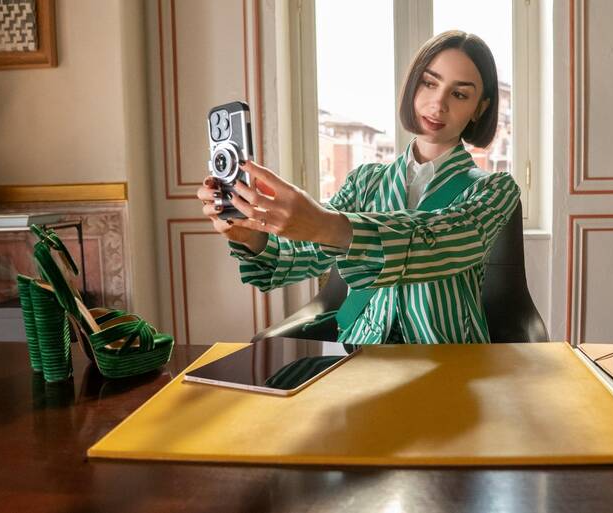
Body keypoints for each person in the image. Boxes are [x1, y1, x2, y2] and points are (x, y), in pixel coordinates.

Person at [197, 30, 520, 344]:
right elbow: (307, 255)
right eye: (429, 83)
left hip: (450, 354)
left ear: (479, 108)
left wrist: (327, 225)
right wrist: (250, 235)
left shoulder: (494, 189)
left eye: (459, 94)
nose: (438, 104)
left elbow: (439, 243)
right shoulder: (365, 181)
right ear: (412, 85)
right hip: (363, 348)